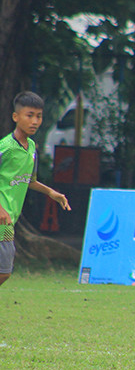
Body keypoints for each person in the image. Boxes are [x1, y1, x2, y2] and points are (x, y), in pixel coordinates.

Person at [0, 91, 72, 287]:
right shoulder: (5, 147)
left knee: (4, 273)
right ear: (16, 117)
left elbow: (28, 180)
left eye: (38, 116)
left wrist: (51, 192)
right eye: (29, 115)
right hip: (1, 217)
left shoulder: (31, 148)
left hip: (8, 222)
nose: (35, 121)